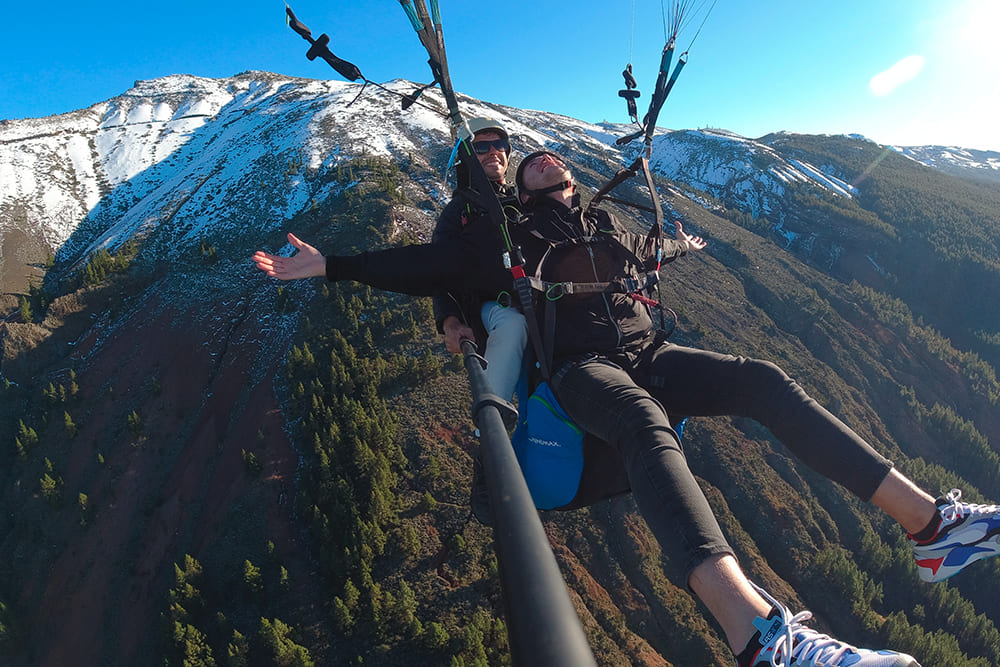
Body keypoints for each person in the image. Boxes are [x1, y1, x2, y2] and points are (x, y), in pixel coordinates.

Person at [254, 149, 1000, 667]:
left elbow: (637, 267)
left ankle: (930, 526)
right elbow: (424, 266)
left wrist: (671, 251)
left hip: (649, 353)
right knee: (642, 420)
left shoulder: (602, 224)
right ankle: (758, 637)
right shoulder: (508, 237)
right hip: (579, 370)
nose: (547, 159)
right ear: (519, 185)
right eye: (531, 161)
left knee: (764, 379)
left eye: (553, 158)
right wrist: (334, 267)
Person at [432, 117, 527, 401]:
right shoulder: (459, 210)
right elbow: (438, 269)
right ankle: (491, 416)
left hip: (535, 296)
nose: (493, 151)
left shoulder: (523, 199)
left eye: (499, 144)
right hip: (489, 303)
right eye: (481, 146)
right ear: (467, 157)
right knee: (513, 325)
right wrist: (449, 321)